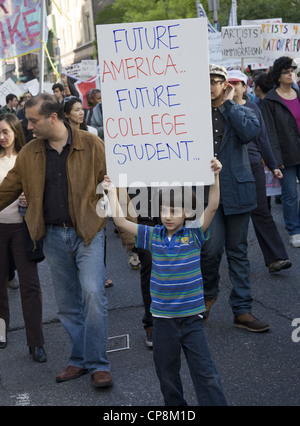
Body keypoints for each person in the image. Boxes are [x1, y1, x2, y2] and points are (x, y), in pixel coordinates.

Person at [0, 93, 135, 387]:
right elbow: (6, 191)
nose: (28, 125)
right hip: (51, 236)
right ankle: (79, 360)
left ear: (53, 117)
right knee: (66, 305)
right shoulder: (30, 153)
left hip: (88, 232)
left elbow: (117, 188)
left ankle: (99, 363)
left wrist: (129, 233)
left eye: (33, 120)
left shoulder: (92, 144)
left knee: (92, 294)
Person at [102, 157, 227, 406]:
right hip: (162, 321)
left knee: (206, 374)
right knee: (167, 375)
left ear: (188, 213)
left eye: (175, 211)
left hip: (192, 319)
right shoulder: (153, 235)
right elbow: (120, 221)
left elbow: (212, 206)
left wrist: (215, 176)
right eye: (164, 210)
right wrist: (112, 192)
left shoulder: (194, 234)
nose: (168, 216)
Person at [201, 64, 269, 332]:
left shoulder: (240, 110)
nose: (212, 85)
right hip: (208, 193)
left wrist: (230, 105)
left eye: (217, 81)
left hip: (238, 190)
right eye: (208, 81)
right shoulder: (193, 114)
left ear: (225, 85)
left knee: (239, 251)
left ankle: (242, 310)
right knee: (210, 249)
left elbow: (250, 133)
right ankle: (207, 296)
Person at [228, 69, 291, 273]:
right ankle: (231, 261)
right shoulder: (220, 109)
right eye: (229, 82)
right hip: (228, 168)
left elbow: (263, 139)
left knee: (262, 212)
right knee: (231, 216)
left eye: (236, 83)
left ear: (245, 86)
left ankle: (276, 258)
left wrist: (273, 165)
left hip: (253, 165)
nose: (232, 86)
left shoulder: (254, 108)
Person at [0, 113, 46, 360]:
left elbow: (42, 190)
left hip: (23, 229)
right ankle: (1, 330)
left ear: (16, 131)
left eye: (6, 131)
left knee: (30, 285)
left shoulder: (28, 158)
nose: (2, 137)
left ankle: (36, 341)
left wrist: (30, 198)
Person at [261, 56, 300, 248]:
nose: (290, 74)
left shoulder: (299, 93)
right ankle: (294, 230)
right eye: (286, 72)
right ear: (278, 76)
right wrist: (275, 160)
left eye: (292, 70)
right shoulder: (270, 100)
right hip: (286, 155)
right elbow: (270, 132)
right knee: (290, 194)